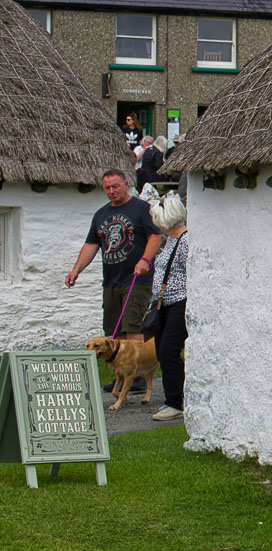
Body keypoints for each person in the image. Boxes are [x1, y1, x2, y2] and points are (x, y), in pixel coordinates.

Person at [65, 168, 162, 348]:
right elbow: (91, 244)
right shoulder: (100, 214)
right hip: (111, 281)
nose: (112, 191)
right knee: (114, 331)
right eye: (107, 188)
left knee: (133, 326)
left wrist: (145, 260)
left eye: (116, 186)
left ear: (126, 185)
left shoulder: (141, 209)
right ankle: (123, 372)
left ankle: (137, 373)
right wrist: (76, 270)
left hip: (137, 279)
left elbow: (155, 236)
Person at [147, 192, 188, 422]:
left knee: (168, 350)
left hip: (179, 302)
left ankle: (175, 401)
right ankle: (174, 397)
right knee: (163, 349)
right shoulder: (172, 240)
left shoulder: (184, 241)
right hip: (165, 302)